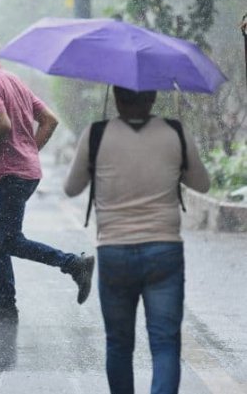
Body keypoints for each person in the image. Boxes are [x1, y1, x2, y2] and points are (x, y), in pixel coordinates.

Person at [64, 87, 210, 394]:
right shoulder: (175, 132)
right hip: (164, 250)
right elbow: (202, 183)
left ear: (116, 96)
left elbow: (71, 188)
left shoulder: (96, 134)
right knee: (165, 342)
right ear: (153, 97)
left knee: (118, 344)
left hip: (114, 252)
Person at [0, 32, 94, 324]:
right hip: (27, 171)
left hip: (12, 172)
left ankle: (73, 264)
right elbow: (50, 120)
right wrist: (30, 151)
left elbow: (3, 127)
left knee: (7, 240)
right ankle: (6, 303)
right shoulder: (13, 79)